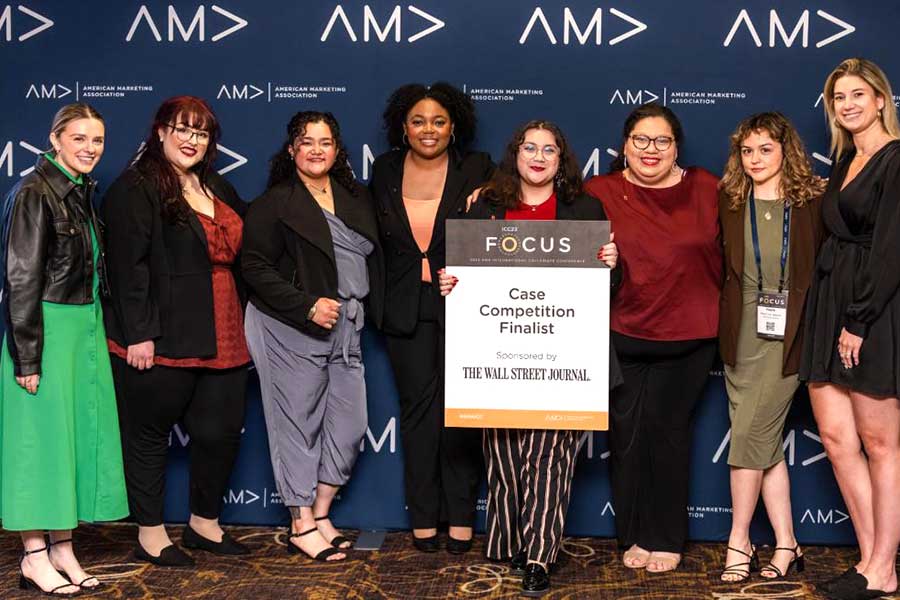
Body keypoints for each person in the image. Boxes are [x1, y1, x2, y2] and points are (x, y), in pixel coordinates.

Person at [441, 119, 620, 597]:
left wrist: (611, 266)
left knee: (549, 456)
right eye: (529, 148)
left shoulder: (585, 210)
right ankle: (514, 543)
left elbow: (607, 291)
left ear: (561, 161)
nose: (538, 157)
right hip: (498, 358)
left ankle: (540, 554)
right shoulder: (487, 208)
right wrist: (449, 283)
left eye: (549, 150)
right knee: (503, 457)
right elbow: (461, 277)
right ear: (515, 155)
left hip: (562, 359)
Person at [102, 96, 251, 566]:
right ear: (161, 132)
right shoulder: (136, 187)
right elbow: (128, 267)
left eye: (202, 133)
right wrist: (138, 333)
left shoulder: (217, 187)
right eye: (183, 130)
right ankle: (150, 531)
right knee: (149, 434)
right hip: (163, 334)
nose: (192, 140)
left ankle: (204, 524)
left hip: (223, 328)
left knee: (221, 430)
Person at [584, 102, 722, 573]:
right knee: (625, 437)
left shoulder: (707, 187)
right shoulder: (597, 191)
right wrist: (485, 197)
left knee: (666, 435)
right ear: (624, 145)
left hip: (688, 337)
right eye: (640, 139)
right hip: (620, 332)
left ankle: (666, 538)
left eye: (661, 141)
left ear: (675, 147)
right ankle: (634, 534)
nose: (650, 149)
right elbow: (539, 211)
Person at [242, 111, 384, 562]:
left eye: (325, 142)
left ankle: (321, 513)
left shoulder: (356, 198)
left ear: (337, 150)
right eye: (307, 142)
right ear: (291, 150)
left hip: (348, 325)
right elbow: (254, 267)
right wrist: (306, 305)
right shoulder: (275, 202)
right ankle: (300, 523)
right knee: (297, 426)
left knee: (348, 425)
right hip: (289, 325)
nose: (317, 149)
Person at [0, 103, 127, 596]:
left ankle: (63, 550)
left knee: (71, 442)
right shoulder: (34, 192)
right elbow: (21, 279)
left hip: (83, 329)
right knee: (41, 446)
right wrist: (27, 355)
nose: (90, 149)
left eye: (97, 140)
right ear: (56, 140)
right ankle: (34, 555)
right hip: (47, 331)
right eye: (79, 139)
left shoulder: (78, 192)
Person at [369, 82, 492, 553]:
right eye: (418, 121)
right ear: (404, 126)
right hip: (404, 309)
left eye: (438, 121)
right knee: (419, 417)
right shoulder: (383, 170)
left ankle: (460, 517)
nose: (428, 129)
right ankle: (424, 517)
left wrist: (489, 196)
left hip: (463, 304)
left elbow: (505, 213)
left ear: (453, 126)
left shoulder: (478, 168)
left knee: (461, 414)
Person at [800, 57, 900, 600]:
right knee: (838, 440)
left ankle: (884, 565)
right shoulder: (844, 162)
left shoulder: (896, 160)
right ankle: (869, 563)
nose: (848, 105)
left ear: (881, 99)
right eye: (839, 97)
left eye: (859, 94)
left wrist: (858, 320)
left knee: (880, 444)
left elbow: (890, 250)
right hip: (829, 303)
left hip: (872, 310)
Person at [717, 112, 826, 582]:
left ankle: (738, 539)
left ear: (786, 151)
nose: (756, 159)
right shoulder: (729, 197)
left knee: (747, 438)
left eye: (766, 149)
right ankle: (787, 543)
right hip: (740, 331)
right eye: (747, 150)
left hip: (789, 331)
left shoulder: (813, 200)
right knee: (764, 443)